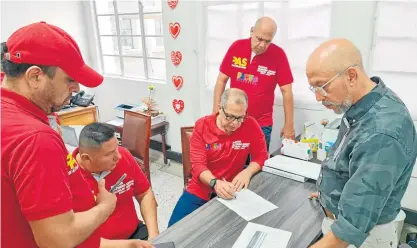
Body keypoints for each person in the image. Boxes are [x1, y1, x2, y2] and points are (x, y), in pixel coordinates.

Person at [1, 21, 153, 248]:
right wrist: (105, 208)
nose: (76, 89)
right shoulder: (35, 138)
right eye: (69, 80)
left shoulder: (11, 114)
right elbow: (57, 239)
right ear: (34, 77)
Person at [306, 38, 417, 248]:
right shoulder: (361, 104)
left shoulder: (382, 131)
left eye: (322, 87)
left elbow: (348, 231)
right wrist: (329, 192)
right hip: (340, 219)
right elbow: (350, 161)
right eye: (314, 89)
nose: (319, 98)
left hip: (362, 238)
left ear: (351, 76)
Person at [168, 88, 269, 227]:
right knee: (173, 231)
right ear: (219, 108)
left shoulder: (250, 125)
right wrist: (215, 183)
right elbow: (198, 166)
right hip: (201, 189)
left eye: (240, 118)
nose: (235, 123)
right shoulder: (202, 126)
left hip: (232, 189)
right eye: (230, 116)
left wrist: (247, 172)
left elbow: (261, 156)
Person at [212, 16, 295, 153]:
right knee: (233, 163)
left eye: (268, 41)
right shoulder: (236, 47)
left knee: (257, 165)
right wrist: (216, 113)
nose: (262, 45)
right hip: (233, 120)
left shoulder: (278, 55)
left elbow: (287, 92)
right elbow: (221, 80)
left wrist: (289, 126)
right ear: (252, 31)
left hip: (262, 123)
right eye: (259, 39)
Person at [72, 123, 159, 242]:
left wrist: (153, 234)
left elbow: (144, 193)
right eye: (109, 154)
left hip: (134, 234)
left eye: (117, 148)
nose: (118, 156)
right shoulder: (68, 178)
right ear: (86, 158)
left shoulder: (123, 156)